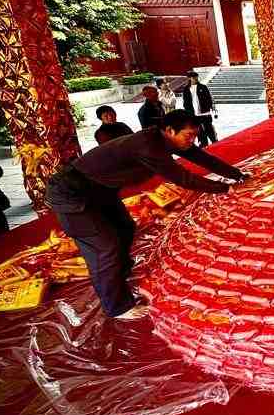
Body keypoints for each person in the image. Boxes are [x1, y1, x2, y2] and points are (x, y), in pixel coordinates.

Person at [45, 110, 248, 319]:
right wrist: (225, 189)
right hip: (72, 193)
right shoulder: (149, 146)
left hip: (101, 190)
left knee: (125, 227)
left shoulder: (166, 140)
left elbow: (202, 157)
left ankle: (119, 275)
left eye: (194, 136)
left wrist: (238, 175)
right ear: (170, 130)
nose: (192, 141)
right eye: (189, 136)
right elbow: (183, 178)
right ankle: (117, 307)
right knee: (104, 247)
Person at [181, 71, 218, 146]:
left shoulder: (203, 87)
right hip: (193, 113)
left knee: (209, 128)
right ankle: (203, 144)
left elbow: (209, 98)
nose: (196, 78)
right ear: (189, 78)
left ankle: (214, 141)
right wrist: (188, 112)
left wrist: (210, 107)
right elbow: (185, 102)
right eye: (193, 77)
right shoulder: (186, 89)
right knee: (199, 130)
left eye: (196, 77)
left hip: (205, 112)